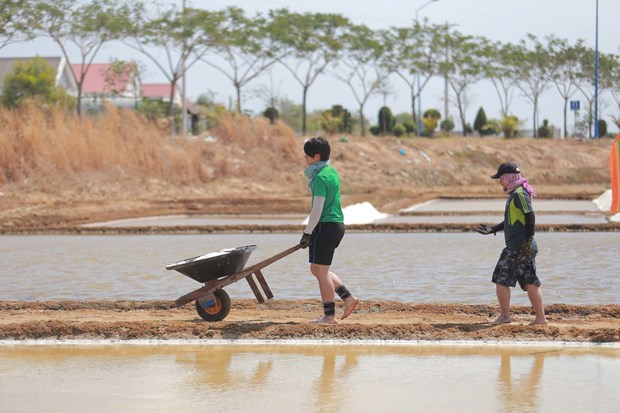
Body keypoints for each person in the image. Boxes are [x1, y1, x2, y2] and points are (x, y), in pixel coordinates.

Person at [476, 162, 548, 325]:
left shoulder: (519, 194)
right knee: (530, 281)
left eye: (500, 178)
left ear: (507, 177)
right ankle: (540, 319)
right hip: (523, 246)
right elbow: (512, 220)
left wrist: (528, 240)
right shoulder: (516, 193)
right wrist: (493, 229)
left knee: (501, 278)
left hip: (519, 246)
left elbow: (530, 216)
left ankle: (505, 316)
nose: (499, 182)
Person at [299, 136, 359, 324]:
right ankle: (348, 298)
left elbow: (317, 209)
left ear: (316, 156)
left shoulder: (320, 178)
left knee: (322, 272)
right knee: (316, 269)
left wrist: (307, 233)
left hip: (325, 226)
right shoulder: (331, 172)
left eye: (307, 156)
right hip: (335, 225)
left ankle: (329, 316)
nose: (305, 159)